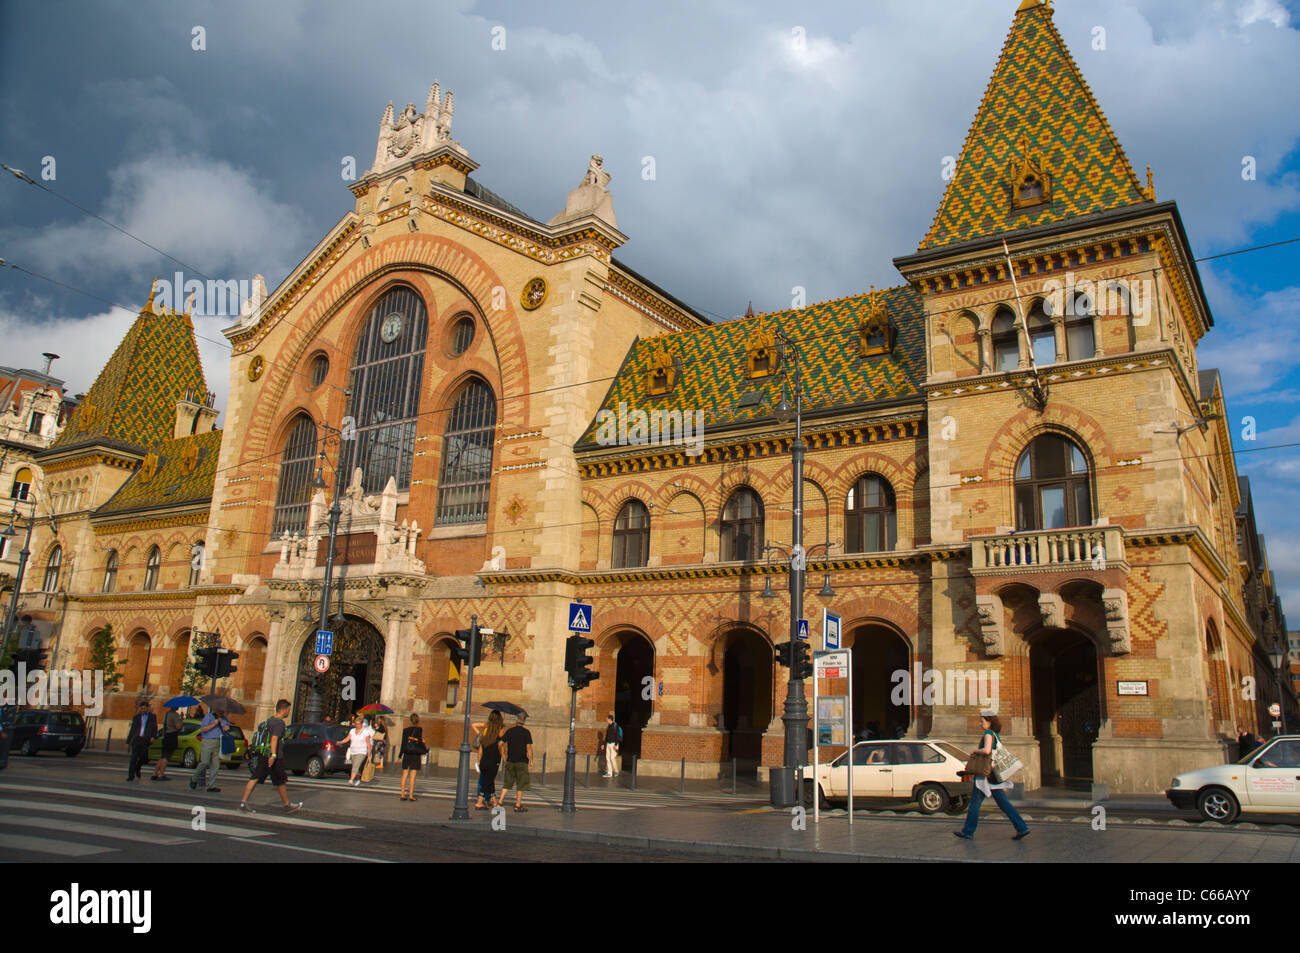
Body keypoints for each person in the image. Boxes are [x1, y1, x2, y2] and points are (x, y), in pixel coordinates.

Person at [955, 712, 1029, 841]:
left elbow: (987, 751)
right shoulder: (996, 735)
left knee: (974, 804)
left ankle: (968, 831)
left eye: (982, 721)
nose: (980, 723)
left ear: (989, 722)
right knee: (1004, 803)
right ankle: (1021, 827)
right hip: (993, 775)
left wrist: (975, 751)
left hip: (986, 775)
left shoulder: (989, 733)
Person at [239, 699, 302, 814]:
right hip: (273, 756)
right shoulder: (279, 723)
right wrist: (273, 755)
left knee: (256, 777)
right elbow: (274, 739)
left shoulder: (269, 721)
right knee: (280, 780)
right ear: (283, 710)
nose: (288, 712)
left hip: (263, 754)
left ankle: (243, 802)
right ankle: (287, 805)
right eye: (288, 710)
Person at [499, 713, 534, 812]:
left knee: (507, 783)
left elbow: (500, 743)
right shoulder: (526, 732)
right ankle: (517, 805)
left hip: (510, 760)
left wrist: (503, 756)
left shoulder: (510, 731)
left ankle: (500, 801)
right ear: (524, 722)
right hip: (522, 761)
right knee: (521, 784)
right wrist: (531, 760)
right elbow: (528, 747)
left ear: (516, 720)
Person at [190, 702, 228, 793]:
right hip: (208, 741)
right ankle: (194, 778)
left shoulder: (224, 719)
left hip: (218, 741)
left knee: (215, 765)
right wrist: (214, 724)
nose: (223, 711)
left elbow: (226, 729)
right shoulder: (209, 717)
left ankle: (212, 785)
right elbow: (203, 729)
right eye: (221, 709)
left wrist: (226, 727)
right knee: (204, 762)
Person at [473, 710, 504, 810]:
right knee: (487, 782)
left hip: (484, 760)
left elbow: (481, 749)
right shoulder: (499, 732)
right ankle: (479, 802)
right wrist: (504, 757)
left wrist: (479, 761)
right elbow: (501, 745)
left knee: (489, 781)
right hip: (493, 761)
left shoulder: (485, 734)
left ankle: (494, 802)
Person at [126, 700, 157, 782]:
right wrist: (128, 741)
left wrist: (153, 736)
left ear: (148, 708)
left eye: (144, 708)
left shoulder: (152, 717)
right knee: (133, 758)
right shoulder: (136, 717)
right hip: (137, 739)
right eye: (142, 708)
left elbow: (155, 728)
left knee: (144, 758)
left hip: (145, 739)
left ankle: (137, 767)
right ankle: (131, 775)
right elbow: (132, 729)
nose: (143, 710)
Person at [152, 704, 183, 781]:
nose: (178, 706)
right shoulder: (175, 715)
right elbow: (178, 727)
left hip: (165, 736)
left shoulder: (167, 714)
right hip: (172, 736)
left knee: (162, 756)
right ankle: (161, 774)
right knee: (167, 756)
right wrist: (181, 720)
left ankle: (155, 773)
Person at [341, 714, 373, 786]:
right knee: (355, 766)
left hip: (362, 751)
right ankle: (358, 779)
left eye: (358, 724)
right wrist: (340, 742)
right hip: (353, 751)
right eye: (356, 724)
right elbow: (347, 738)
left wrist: (369, 752)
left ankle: (351, 780)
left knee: (356, 765)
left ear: (361, 724)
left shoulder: (365, 732)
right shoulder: (352, 731)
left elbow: (368, 743)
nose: (357, 725)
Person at [399, 713, 424, 801]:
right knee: (413, 776)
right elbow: (420, 742)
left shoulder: (405, 730)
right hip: (415, 754)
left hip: (407, 754)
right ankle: (410, 795)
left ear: (410, 720)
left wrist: (400, 755)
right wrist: (424, 750)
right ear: (418, 720)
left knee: (404, 774)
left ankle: (402, 795)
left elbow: (403, 743)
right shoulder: (419, 730)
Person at [603, 712, 621, 777]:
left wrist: (616, 745)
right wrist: (604, 744)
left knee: (612, 758)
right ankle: (609, 772)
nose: (606, 720)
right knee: (608, 758)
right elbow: (607, 736)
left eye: (607, 719)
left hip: (613, 744)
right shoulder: (609, 726)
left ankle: (616, 771)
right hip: (608, 743)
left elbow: (617, 736)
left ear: (610, 719)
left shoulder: (615, 726)